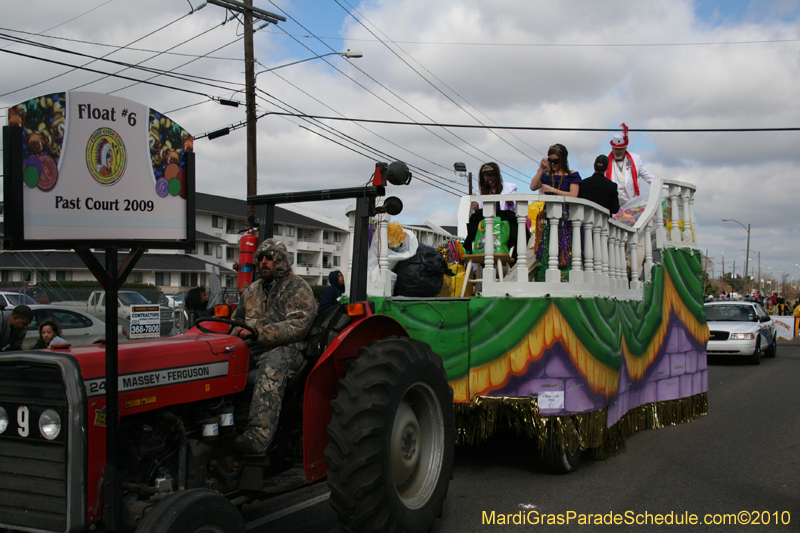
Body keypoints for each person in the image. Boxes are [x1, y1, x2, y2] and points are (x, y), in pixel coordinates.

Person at [231, 238, 317, 455]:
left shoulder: (298, 288)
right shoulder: (252, 291)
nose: (263, 263)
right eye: (260, 259)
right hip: (254, 347)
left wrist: (259, 333)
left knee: (272, 367)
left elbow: (298, 325)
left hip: (288, 349)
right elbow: (237, 321)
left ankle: (256, 440)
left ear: (281, 260)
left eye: (269, 258)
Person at [465, 162, 522, 259]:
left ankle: (510, 250)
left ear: (497, 176)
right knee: (474, 219)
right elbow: (479, 207)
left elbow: (515, 207)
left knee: (514, 222)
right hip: (486, 218)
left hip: (504, 217)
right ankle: (475, 248)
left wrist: (511, 202)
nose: (490, 182)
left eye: (492, 179)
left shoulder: (510, 187)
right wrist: (476, 207)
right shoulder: (480, 191)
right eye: (487, 180)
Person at [606, 124, 657, 205]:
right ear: (612, 148)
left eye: (620, 149)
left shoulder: (635, 159)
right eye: (616, 149)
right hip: (612, 202)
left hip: (630, 202)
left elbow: (649, 177)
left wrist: (665, 187)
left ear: (625, 148)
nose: (618, 151)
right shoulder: (605, 161)